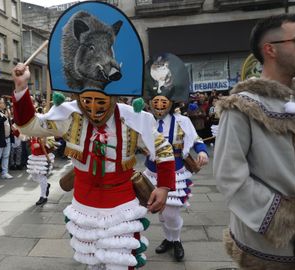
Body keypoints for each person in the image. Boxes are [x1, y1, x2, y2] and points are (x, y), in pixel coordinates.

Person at [10, 3, 176, 268]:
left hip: (122, 204)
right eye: (87, 101)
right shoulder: (69, 114)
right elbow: (29, 126)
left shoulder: (132, 118)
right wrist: (21, 88)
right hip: (83, 205)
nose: (93, 108)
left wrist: (165, 186)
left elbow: (163, 150)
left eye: (101, 102)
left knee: (120, 262)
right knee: (92, 263)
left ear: (112, 98)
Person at [214, 14, 295, 270]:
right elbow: (230, 176)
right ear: (271, 49)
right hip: (267, 247)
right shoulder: (240, 107)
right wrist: (289, 216)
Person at [143, 53, 209, 261]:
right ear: (151, 103)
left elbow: (197, 139)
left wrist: (202, 152)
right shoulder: (144, 121)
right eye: (156, 103)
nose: (160, 107)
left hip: (176, 171)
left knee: (171, 213)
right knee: (161, 213)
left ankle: (176, 239)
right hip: (151, 172)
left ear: (170, 103)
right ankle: (168, 238)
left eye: (163, 103)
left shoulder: (182, 122)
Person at [26, 137, 55, 205]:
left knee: (41, 177)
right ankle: (46, 185)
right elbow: (25, 137)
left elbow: (52, 143)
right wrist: (16, 132)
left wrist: (41, 144)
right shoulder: (32, 132)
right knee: (34, 177)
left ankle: (43, 196)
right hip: (34, 157)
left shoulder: (46, 132)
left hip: (43, 158)